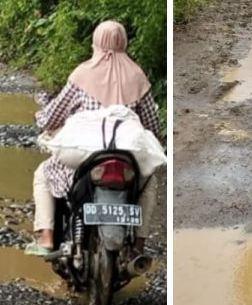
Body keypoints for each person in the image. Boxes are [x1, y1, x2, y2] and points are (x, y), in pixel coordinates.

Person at [27, 20, 161, 255]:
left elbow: (54, 114)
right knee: (149, 183)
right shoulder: (138, 77)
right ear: (124, 42)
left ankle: (47, 237)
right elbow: (151, 126)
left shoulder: (82, 75)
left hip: (85, 158)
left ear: (96, 42)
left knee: (43, 174)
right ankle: (139, 246)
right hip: (126, 160)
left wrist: (42, 118)